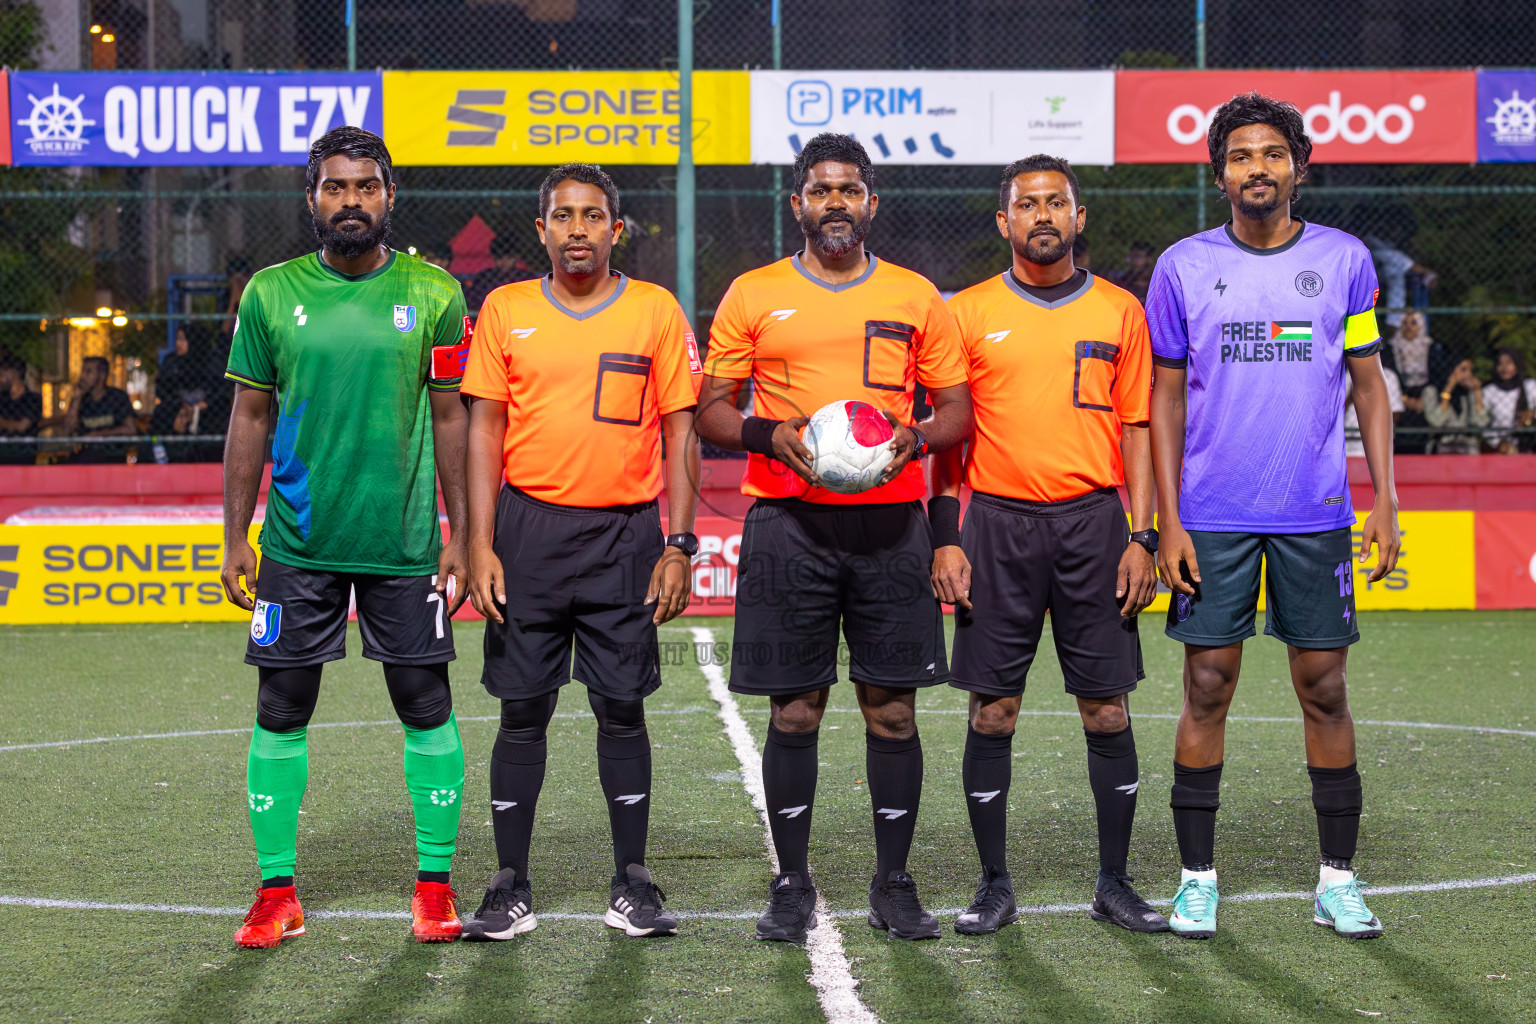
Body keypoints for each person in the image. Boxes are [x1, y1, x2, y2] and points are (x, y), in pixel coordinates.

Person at [696, 133, 974, 943]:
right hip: (788, 526)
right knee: (795, 711)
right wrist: (763, 432)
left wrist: (917, 438)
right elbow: (712, 409)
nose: (836, 204)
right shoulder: (754, 293)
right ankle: (791, 882)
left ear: (871, 203)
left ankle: (893, 882)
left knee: (892, 711)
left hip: (893, 528)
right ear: (799, 205)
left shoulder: (919, 296)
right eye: (821, 191)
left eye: (849, 190)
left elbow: (956, 412)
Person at [1145, 93, 1400, 941]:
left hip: (1314, 509)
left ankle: (1337, 878)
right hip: (1213, 516)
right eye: (1242, 156)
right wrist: (1171, 521)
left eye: (1274, 154)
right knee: (1206, 684)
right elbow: (1167, 396)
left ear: (1299, 166)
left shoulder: (1344, 260)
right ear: (1219, 173)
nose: (1258, 168)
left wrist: (1386, 500)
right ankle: (1195, 879)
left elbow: (1368, 382)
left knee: (1323, 685)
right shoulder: (1182, 266)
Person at [219, 126, 473, 948]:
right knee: (281, 707)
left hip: (402, 545)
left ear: (389, 196)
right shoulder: (268, 294)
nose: (351, 201)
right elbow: (248, 417)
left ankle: (433, 887)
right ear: (312, 199)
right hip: (297, 543)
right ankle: (275, 892)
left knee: (424, 703)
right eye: (336, 188)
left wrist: (463, 535)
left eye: (366, 187)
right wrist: (235, 538)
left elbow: (451, 418)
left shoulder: (435, 293)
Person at [458, 163, 701, 941]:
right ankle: (509, 883)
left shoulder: (656, 311)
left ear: (615, 229)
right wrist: (479, 540)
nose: (576, 229)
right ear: (541, 229)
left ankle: (632, 879)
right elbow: (484, 428)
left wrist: (679, 543)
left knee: (620, 709)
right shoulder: (506, 308)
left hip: (625, 536)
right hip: (527, 532)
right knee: (522, 711)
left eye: (592, 216)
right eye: (562, 215)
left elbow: (681, 432)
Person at [937, 155, 1165, 936]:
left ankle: (1114, 881)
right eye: (1026, 204)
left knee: (1106, 709)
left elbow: (1137, 427)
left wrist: (1144, 534)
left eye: (1056, 203)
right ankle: (994, 883)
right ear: (1003, 223)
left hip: (1095, 526)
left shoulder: (1119, 311)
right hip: (995, 526)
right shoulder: (963, 314)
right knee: (993, 710)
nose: (1042, 215)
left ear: (1079, 217)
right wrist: (946, 537)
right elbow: (946, 436)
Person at [62, 356, 137, 463]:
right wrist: (76, 399)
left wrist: (95, 435)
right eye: (83, 371)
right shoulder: (81, 399)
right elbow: (68, 430)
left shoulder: (117, 397)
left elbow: (131, 429)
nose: (83, 376)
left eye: (88, 372)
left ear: (101, 376)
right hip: (85, 455)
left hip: (111, 455)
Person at [1422, 356, 1490, 454]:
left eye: (1470, 370)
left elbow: (1481, 423)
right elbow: (1437, 421)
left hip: (1466, 446)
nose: (1468, 374)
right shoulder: (1431, 391)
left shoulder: (1469, 393)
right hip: (1442, 445)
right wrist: (1449, 389)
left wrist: (1478, 394)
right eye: (1463, 370)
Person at [1482, 348, 1535, 453]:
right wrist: (1498, 443)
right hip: (1502, 445)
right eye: (1500, 363)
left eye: (1508, 363)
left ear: (1517, 364)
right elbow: (1483, 424)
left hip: (1530, 441)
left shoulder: (1531, 386)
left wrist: (1533, 413)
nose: (1504, 368)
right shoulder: (1489, 391)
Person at [464, 233, 535, 310]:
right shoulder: (484, 277)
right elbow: (471, 300)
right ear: (494, 257)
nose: (504, 262)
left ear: (516, 257)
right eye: (499, 257)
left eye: (509, 258)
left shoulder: (526, 278)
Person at [1346, 362, 1403, 458]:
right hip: (1347, 444)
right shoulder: (1346, 376)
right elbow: (1334, 416)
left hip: (1377, 444)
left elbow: (1396, 414)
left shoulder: (1388, 376)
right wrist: (1352, 394)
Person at [0, 354, 42, 465]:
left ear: (12, 374)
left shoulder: (33, 399)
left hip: (23, 457)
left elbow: (22, 426)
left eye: (1, 373)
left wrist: (3, 423)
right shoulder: (2, 399)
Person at [1389, 311, 1433, 392]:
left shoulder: (1430, 347)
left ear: (1421, 326)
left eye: (1413, 323)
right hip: (1399, 388)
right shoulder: (1391, 348)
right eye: (1405, 323)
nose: (1409, 327)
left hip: (1425, 387)